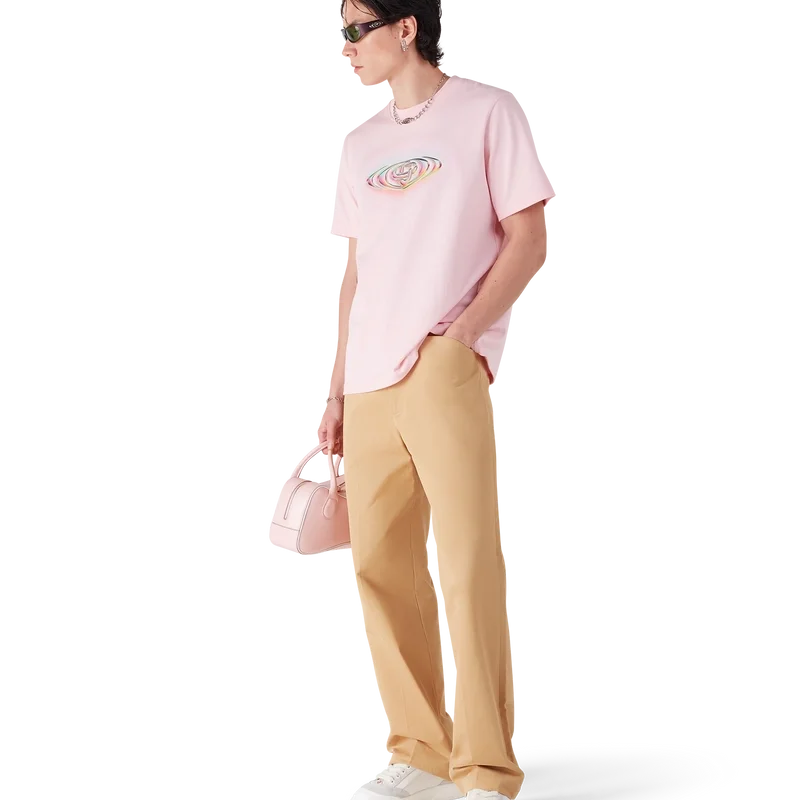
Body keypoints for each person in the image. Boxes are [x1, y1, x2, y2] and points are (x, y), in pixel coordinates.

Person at [323, 2, 555, 799]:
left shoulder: (487, 109)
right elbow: (356, 275)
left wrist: (460, 336)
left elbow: (529, 235)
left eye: (356, 30)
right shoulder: (359, 144)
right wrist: (334, 390)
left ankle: (486, 766)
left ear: (407, 27)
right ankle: (421, 755)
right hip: (368, 379)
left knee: (464, 562)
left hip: (443, 365)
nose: (346, 48)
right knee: (380, 570)